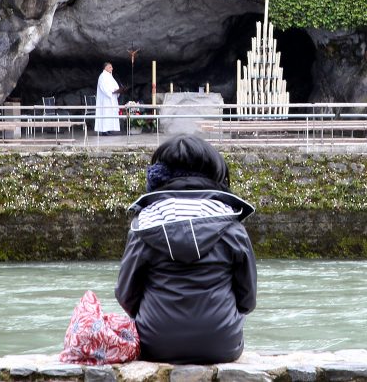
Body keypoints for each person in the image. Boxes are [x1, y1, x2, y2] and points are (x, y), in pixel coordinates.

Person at [114, 135, 257, 364]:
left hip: (155, 346)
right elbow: (247, 300)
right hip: (223, 347)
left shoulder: (144, 225)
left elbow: (125, 295)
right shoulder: (233, 227)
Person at [95, 62, 122, 135]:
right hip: (106, 99)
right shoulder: (102, 76)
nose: (112, 68)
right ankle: (104, 130)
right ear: (105, 68)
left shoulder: (110, 76)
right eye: (110, 67)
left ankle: (109, 129)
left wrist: (118, 91)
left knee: (111, 114)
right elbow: (104, 88)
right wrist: (111, 92)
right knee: (106, 113)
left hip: (112, 98)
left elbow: (115, 86)